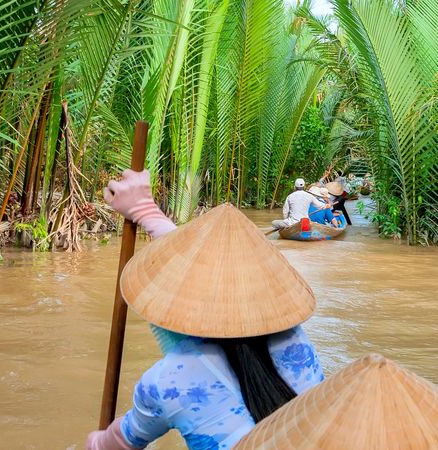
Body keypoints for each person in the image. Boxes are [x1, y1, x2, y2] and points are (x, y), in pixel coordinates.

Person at [87, 170, 325, 450]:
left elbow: (116, 443)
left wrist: (96, 441)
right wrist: (146, 212)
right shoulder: (294, 338)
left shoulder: (167, 382)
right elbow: (213, 276)